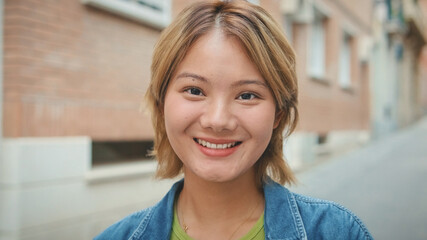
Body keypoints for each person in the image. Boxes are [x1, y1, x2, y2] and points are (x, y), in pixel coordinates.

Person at [94, 1, 373, 239]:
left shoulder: (337, 232)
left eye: (247, 95)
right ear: (161, 102)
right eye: (194, 91)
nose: (218, 120)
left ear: (278, 113)